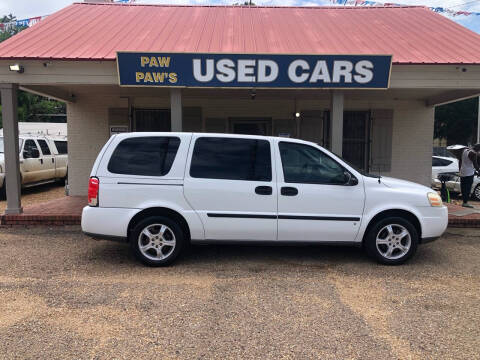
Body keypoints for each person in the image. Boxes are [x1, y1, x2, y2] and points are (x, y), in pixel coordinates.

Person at [459, 144, 480, 208]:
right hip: (469, 173)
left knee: (463, 188)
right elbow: (475, 165)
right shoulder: (473, 154)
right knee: (467, 188)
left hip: (463, 172)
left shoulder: (464, 150)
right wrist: (479, 170)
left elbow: (460, 160)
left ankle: (464, 202)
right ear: (478, 149)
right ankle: (465, 203)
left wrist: (460, 169)